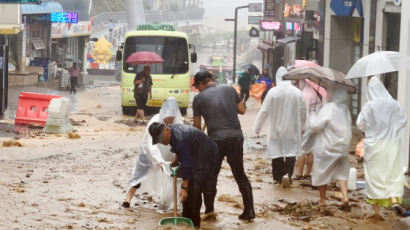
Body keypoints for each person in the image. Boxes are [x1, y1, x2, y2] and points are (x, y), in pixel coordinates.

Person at [192, 71, 255, 221]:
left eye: (197, 86)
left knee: (211, 176)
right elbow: (242, 110)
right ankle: (249, 211)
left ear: (201, 84)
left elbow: (196, 128)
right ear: (211, 80)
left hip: (215, 141)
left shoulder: (198, 99)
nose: (197, 89)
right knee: (240, 175)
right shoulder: (229, 89)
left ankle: (209, 211)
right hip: (236, 137)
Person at [148, 122, 218, 228]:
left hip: (207, 154)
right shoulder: (172, 130)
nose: (161, 142)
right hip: (196, 152)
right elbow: (180, 149)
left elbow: (187, 164)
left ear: (166, 131)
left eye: (161, 139)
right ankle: (186, 219)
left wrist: (184, 187)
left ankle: (195, 224)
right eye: (159, 141)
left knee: (194, 189)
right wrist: (176, 159)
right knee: (190, 188)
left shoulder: (180, 139)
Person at [356, 77, 408, 217]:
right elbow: (403, 121)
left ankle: (376, 212)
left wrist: (372, 128)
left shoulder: (369, 106)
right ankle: (394, 200)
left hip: (375, 146)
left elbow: (360, 124)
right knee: (391, 173)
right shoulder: (394, 104)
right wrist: (392, 128)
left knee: (375, 176)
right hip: (392, 144)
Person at [122, 97, 183, 211]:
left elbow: (181, 141)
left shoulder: (178, 122)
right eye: (168, 117)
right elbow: (151, 144)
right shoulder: (155, 121)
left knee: (170, 176)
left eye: (172, 117)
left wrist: (174, 157)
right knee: (139, 176)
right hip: (149, 153)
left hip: (169, 152)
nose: (170, 120)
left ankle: (169, 204)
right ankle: (127, 200)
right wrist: (158, 159)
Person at [253, 67, 307, 188]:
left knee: (276, 152)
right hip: (292, 128)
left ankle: (278, 178)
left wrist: (257, 127)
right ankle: (287, 174)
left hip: (275, 129)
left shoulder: (273, 92)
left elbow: (264, 111)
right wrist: (303, 126)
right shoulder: (297, 92)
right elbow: (303, 111)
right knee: (291, 151)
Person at [309, 84, 351, 210]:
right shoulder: (345, 109)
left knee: (322, 172)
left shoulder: (328, 108)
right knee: (342, 173)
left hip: (327, 148)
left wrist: (313, 114)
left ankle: (323, 200)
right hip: (343, 148)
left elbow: (316, 126)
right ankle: (345, 196)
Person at [294, 80, 323, 180]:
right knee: (310, 149)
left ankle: (299, 173)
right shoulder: (315, 93)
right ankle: (308, 173)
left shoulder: (305, 94)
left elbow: (304, 112)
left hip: (307, 124)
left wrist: (301, 127)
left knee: (301, 149)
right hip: (315, 124)